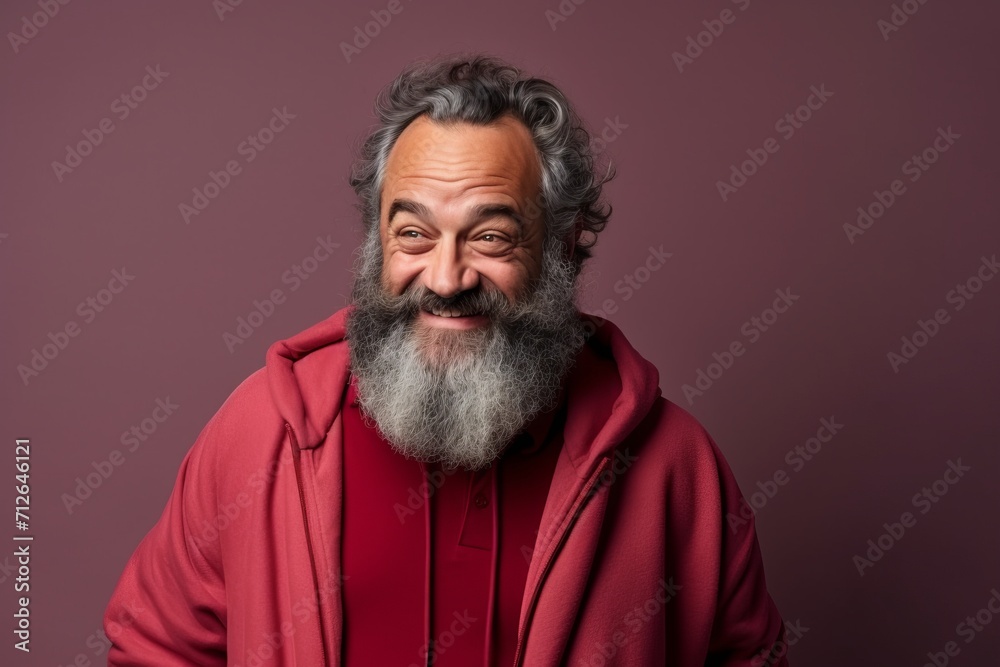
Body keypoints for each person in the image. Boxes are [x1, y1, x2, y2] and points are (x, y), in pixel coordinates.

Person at [104, 53, 790, 666]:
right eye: (414, 233)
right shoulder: (259, 436)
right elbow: (154, 647)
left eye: (489, 235)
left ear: (559, 247)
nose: (446, 276)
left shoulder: (675, 466)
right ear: (377, 243)